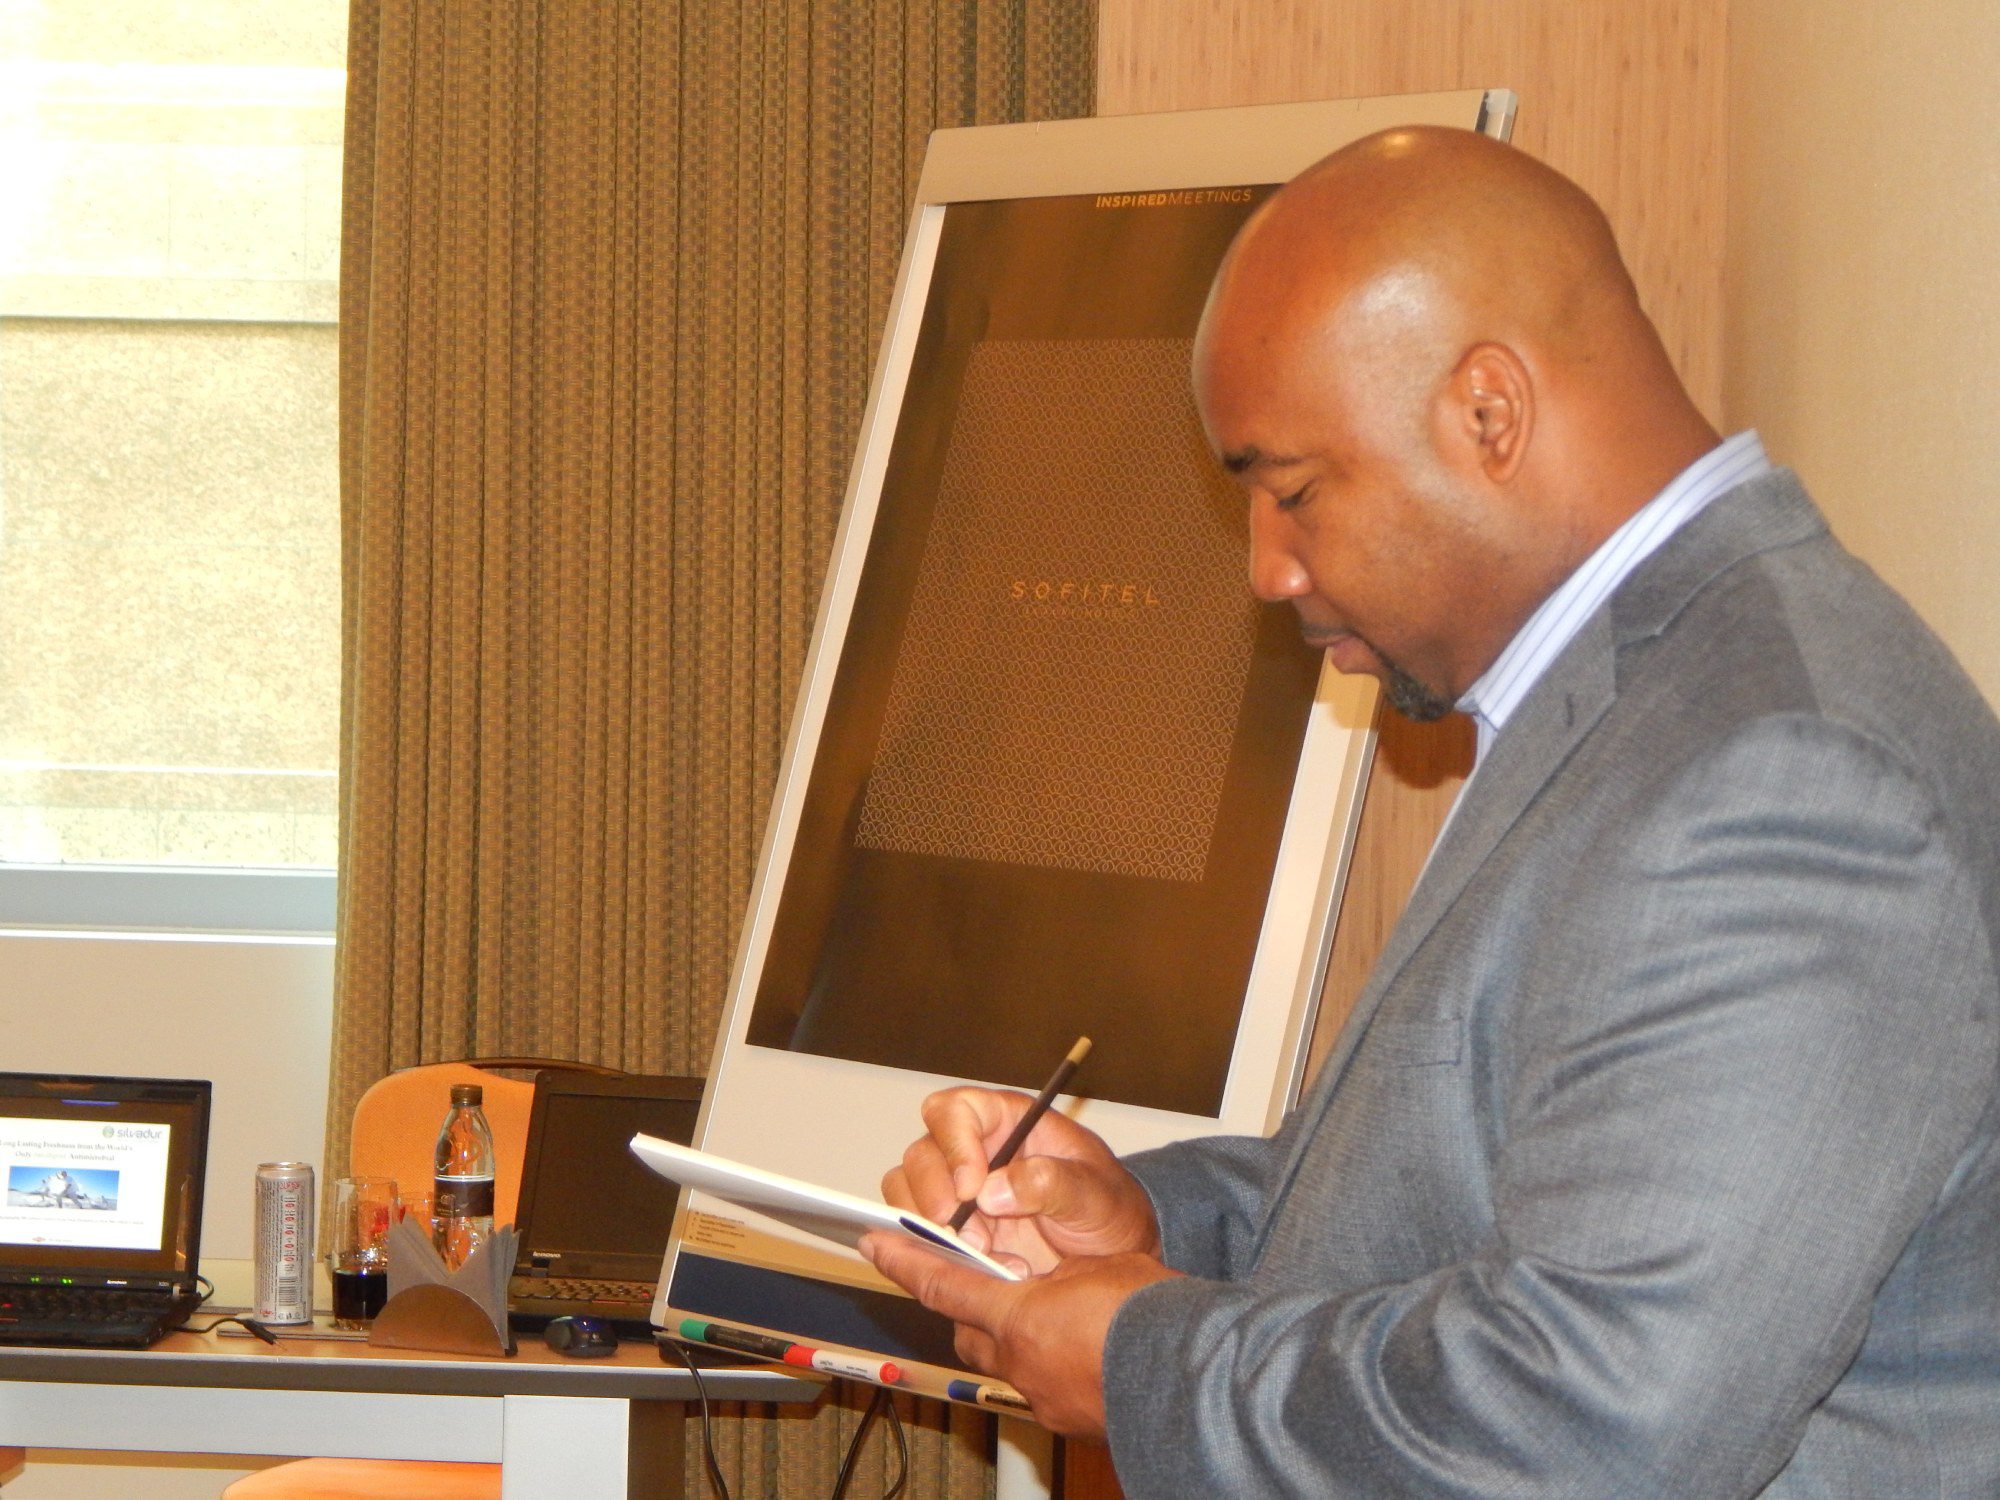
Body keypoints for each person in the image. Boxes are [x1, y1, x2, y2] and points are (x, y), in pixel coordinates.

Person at [862, 126, 2000, 1497]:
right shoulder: (1633, 696)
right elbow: (1445, 1195)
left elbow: (1594, 1426)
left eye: (1293, 493)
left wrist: (1143, 1358)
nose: (1268, 573)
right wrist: (1149, 1220)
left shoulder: (1790, 775)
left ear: (1489, 414)